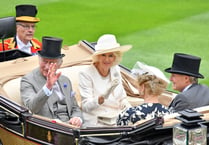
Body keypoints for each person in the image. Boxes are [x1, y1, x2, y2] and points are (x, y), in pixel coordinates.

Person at [20, 36, 83, 127]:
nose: (47, 67)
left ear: (59, 64)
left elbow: (74, 107)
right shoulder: (28, 80)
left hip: (72, 127)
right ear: (39, 60)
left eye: (51, 63)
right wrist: (48, 86)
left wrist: (77, 118)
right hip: (49, 129)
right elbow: (32, 107)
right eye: (45, 62)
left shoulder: (65, 80)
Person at [78, 34, 132, 127]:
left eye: (110, 55)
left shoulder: (115, 69)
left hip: (116, 119)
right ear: (98, 56)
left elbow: (122, 98)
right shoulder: (85, 73)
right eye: (103, 55)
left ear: (115, 57)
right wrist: (100, 99)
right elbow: (86, 107)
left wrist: (130, 109)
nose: (107, 59)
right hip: (96, 122)